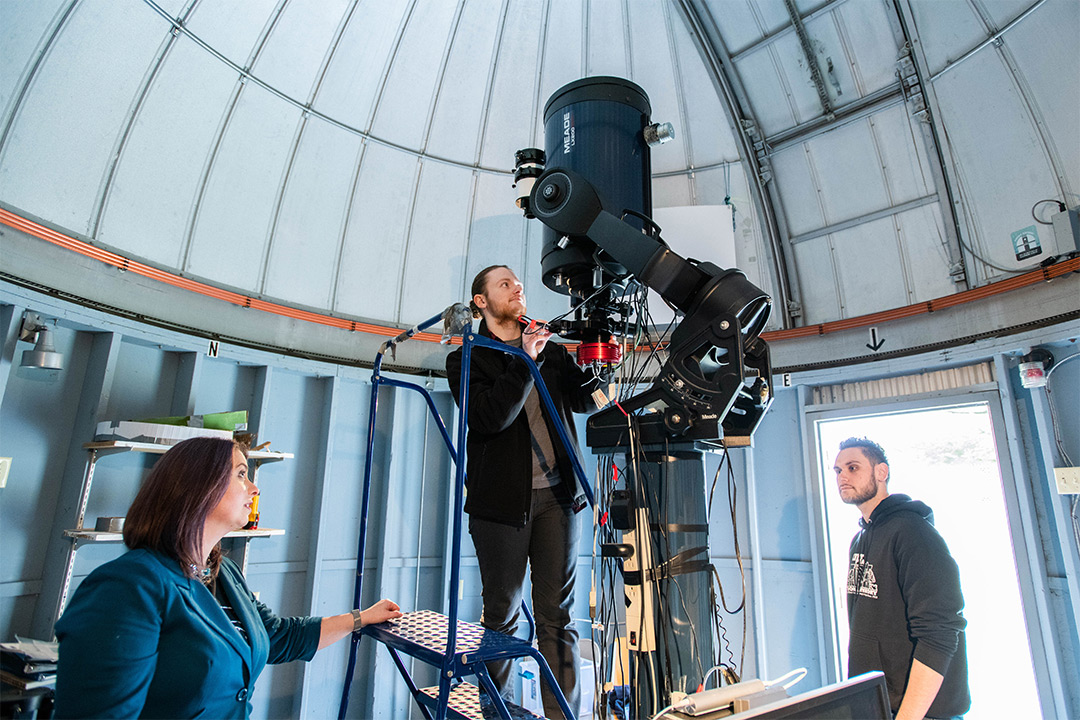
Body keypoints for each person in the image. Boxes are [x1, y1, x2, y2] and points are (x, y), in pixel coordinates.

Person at [54, 436, 402, 718]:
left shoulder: (224, 574)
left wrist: (361, 618)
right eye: (240, 473)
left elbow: (276, 637)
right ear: (196, 486)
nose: (254, 489)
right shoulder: (129, 587)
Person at [445, 265, 601, 718]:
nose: (518, 289)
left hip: (559, 499)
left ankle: (561, 715)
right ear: (481, 301)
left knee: (558, 618)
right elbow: (490, 418)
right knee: (503, 616)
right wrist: (525, 361)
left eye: (519, 283)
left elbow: (582, 401)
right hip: (501, 508)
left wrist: (598, 367)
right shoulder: (469, 357)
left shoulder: (549, 351)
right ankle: (498, 711)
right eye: (505, 284)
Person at [833, 437, 970, 720]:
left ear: (881, 472)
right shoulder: (860, 539)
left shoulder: (913, 533)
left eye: (853, 467)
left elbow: (940, 632)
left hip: (922, 713)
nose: (843, 476)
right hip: (879, 705)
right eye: (838, 470)